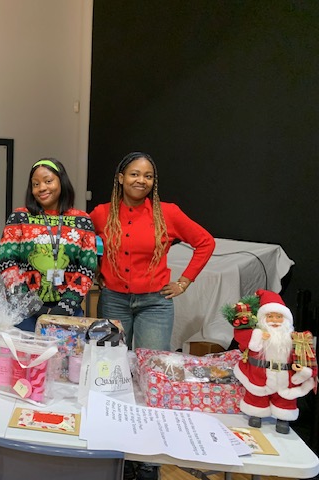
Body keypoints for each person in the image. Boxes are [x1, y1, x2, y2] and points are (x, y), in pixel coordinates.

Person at [90, 151, 214, 480]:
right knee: (110, 375)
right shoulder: (101, 213)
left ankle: (147, 461)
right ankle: (113, 452)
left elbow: (205, 242)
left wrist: (184, 281)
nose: (141, 180)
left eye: (147, 176)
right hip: (113, 302)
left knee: (152, 381)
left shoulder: (168, 213)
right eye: (134, 174)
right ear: (120, 178)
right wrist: (95, 271)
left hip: (155, 305)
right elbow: (84, 245)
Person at [0, 157, 97, 332]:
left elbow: (88, 266)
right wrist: (33, 305)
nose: (41, 188)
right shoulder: (19, 217)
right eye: (35, 184)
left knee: (67, 351)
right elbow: (6, 261)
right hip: (25, 313)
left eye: (48, 181)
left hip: (68, 311)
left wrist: (66, 305)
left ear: (61, 181)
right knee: (27, 351)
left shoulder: (82, 220)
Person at [231, 289, 317, 434]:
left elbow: (306, 357)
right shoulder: (258, 336)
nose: (274, 321)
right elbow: (243, 339)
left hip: (285, 376)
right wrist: (257, 336)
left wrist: (302, 369)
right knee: (256, 394)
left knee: (285, 398)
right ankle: (256, 413)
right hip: (260, 375)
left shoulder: (295, 338)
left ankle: (283, 418)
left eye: (279, 317)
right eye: (270, 316)